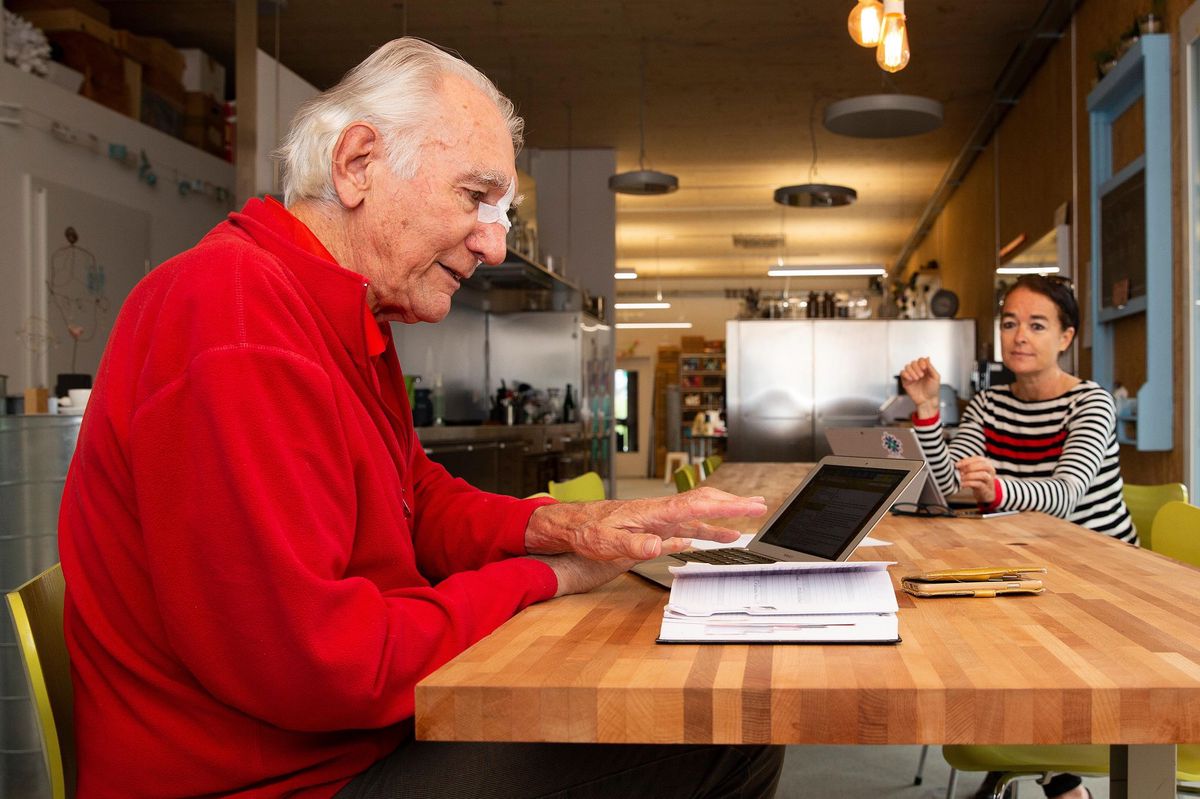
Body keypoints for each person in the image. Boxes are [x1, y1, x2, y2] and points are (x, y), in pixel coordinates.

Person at [58, 38, 783, 798]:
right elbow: (320, 663)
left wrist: (569, 527)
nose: (496, 244)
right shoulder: (234, 314)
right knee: (731, 733)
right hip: (280, 782)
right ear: (358, 163)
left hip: (344, 750)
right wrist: (543, 577)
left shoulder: (338, 319)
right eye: (476, 196)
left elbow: (419, 501)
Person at [902, 274, 1133, 799]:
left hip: (1097, 574)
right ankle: (1056, 776)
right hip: (1023, 566)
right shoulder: (989, 404)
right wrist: (926, 409)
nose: (1019, 336)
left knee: (1006, 652)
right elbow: (946, 484)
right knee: (964, 639)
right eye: (1010, 324)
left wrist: (998, 491)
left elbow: (1067, 493)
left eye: (1036, 325)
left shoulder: (1091, 403)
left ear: (1066, 337)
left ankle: (1057, 777)